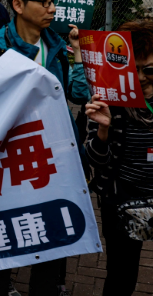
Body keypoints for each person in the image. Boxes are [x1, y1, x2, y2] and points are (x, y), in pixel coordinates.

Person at [0, 0, 87, 296]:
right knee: (2, 237)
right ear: (18, 5)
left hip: (53, 164)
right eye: (44, 2)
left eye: (54, 2)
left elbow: (78, 95)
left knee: (50, 239)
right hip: (6, 169)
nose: (52, 9)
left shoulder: (58, 48)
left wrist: (76, 53)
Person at [83, 19, 153, 296]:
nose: (143, 77)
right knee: (123, 273)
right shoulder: (107, 99)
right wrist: (103, 129)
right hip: (121, 198)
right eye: (133, 70)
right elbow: (95, 160)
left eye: (149, 69)